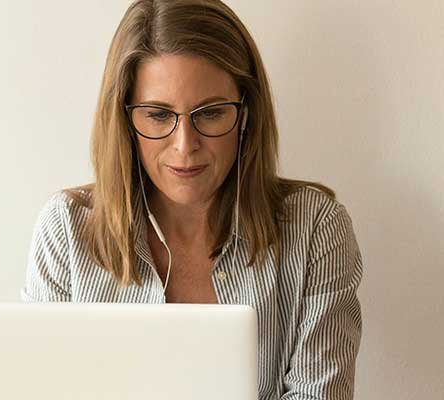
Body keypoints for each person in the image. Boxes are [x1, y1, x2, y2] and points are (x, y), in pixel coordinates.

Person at [21, 0, 362, 399]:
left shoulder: (315, 228)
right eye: (158, 115)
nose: (185, 146)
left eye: (210, 113)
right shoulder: (66, 231)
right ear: (125, 119)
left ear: (246, 112)